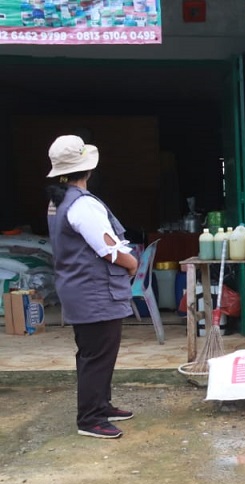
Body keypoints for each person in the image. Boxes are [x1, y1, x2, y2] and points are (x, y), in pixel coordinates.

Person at [45, 135, 139, 439]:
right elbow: (108, 249)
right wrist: (132, 263)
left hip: (80, 288)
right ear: (88, 170)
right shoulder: (83, 205)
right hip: (94, 292)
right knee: (97, 354)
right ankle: (90, 418)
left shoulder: (59, 201)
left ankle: (101, 404)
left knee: (94, 351)